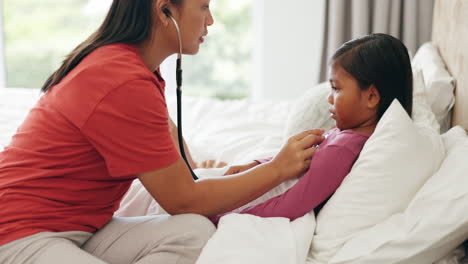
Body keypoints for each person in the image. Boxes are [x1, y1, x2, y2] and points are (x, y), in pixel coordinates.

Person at [0, 0, 324, 263]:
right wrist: (278, 168)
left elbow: (166, 140)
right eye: (204, 7)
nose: (210, 21)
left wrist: (217, 176)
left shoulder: (135, 67)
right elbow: (182, 200)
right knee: (191, 216)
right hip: (19, 232)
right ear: (165, 10)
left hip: (82, 227)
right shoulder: (120, 77)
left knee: (192, 232)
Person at [210, 33, 413, 225]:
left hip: (264, 210)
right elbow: (296, 162)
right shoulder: (346, 136)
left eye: (336, 88)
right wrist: (255, 165)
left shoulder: (342, 149)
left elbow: (292, 204)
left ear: (371, 97)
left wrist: (227, 217)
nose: (329, 98)